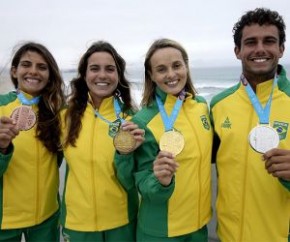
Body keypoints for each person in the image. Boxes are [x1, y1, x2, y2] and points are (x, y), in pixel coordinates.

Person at [210, 8, 290, 242]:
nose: (260, 49)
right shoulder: (218, 104)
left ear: (281, 49)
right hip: (228, 235)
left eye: (269, 41)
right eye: (251, 42)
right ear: (238, 51)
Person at [123, 38, 213, 241]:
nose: (171, 74)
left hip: (199, 225)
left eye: (177, 65)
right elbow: (138, 181)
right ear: (152, 76)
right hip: (161, 231)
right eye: (161, 69)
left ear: (186, 67)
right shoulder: (142, 121)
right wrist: (159, 182)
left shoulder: (200, 106)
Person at [61, 40, 144, 242]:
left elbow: (134, 179)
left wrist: (127, 153)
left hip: (122, 221)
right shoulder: (64, 117)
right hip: (78, 223)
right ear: (84, 75)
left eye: (110, 69)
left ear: (118, 75)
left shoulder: (133, 119)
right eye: (94, 68)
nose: (102, 75)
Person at [0, 42, 65, 241]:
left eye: (42, 67)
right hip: (5, 220)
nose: (34, 72)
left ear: (50, 74)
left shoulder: (59, 112)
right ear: (14, 71)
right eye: (26, 64)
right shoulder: (2, 106)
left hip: (46, 216)